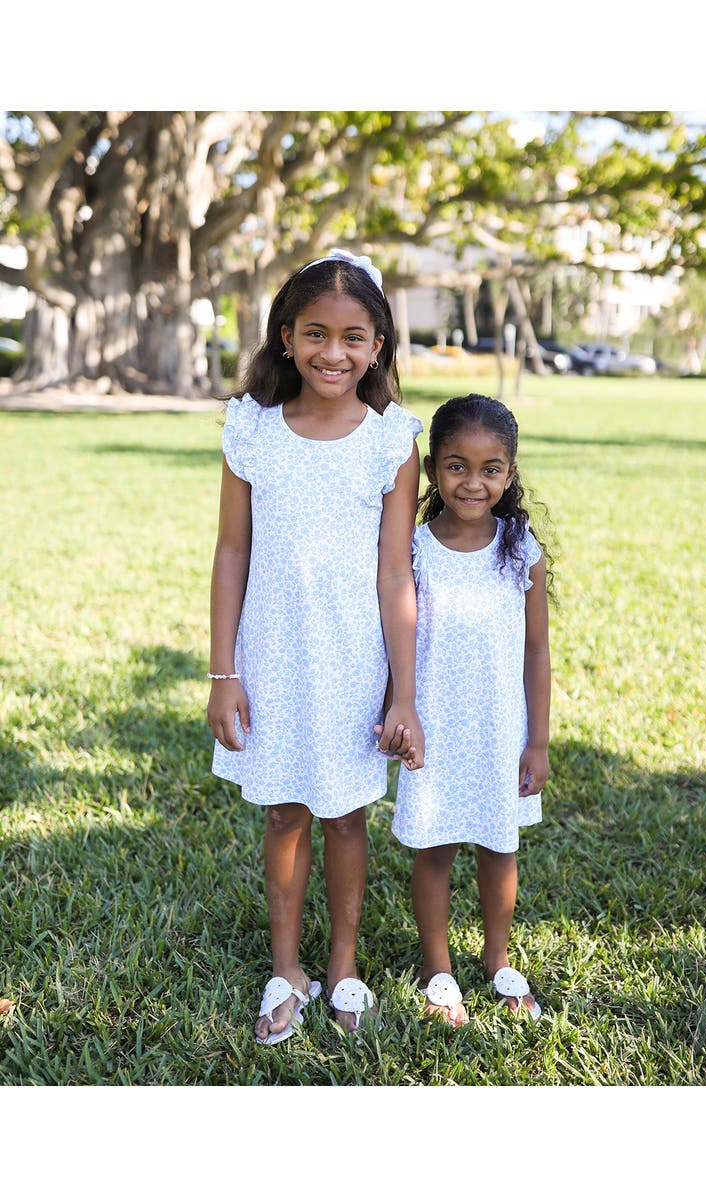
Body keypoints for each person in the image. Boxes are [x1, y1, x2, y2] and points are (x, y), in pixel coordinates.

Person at [207, 248, 424, 1043]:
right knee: (284, 814)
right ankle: (285, 965)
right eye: (317, 334)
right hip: (271, 653)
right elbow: (232, 552)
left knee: (344, 818)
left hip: (354, 657)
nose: (334, 353)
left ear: (378, 346)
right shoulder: (253, 429)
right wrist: (223, 671)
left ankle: (342, 964)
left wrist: (403, 691)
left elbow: (396, 572)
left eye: (353, 337)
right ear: (287, 338)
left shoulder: (391, 439)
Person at [389, 393, 551, 1026]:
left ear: (510, 473)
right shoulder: (414, 549)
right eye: (457, 465)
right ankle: (438, 969)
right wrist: (396, 713)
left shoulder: (519, 550)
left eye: (491, 468)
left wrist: (537, 741)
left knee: (498, 848)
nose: (473, 482)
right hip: (434, 727)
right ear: (433, 470)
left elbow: (537, 651)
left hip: (498, 729)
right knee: (434, 851)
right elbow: (394, 644)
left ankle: (497, 959)